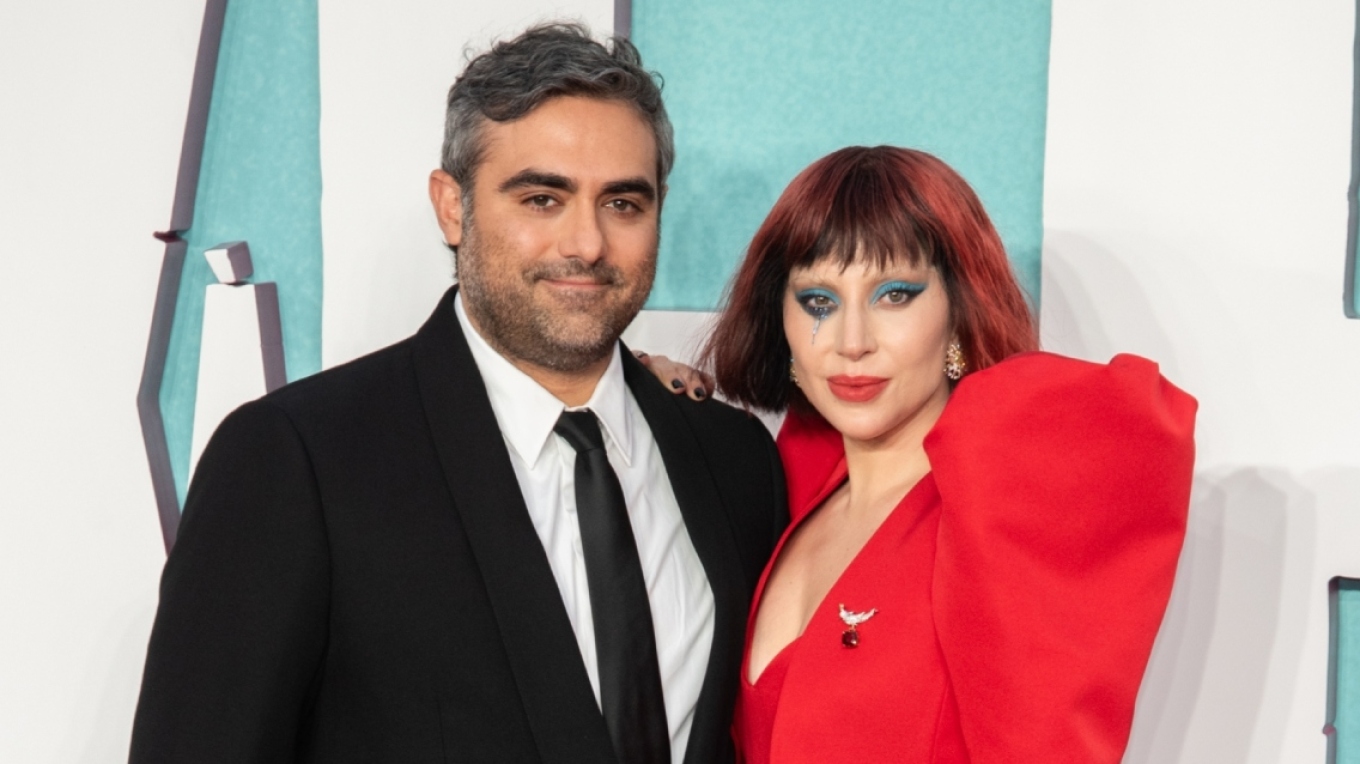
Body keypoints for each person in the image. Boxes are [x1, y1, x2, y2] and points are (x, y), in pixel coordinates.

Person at [128, 24, 786, 764]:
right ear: (451, 205)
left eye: (623, 204)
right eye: (542, 198)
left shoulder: (734, 463)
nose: (587, 244)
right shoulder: (296, 462)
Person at [654, 146, 1195, 762]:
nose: (852, 342)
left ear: (960, 308)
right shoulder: (785, 488)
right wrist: (645, 397)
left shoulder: (999, 511)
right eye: (819, 302)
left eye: (894, 295)